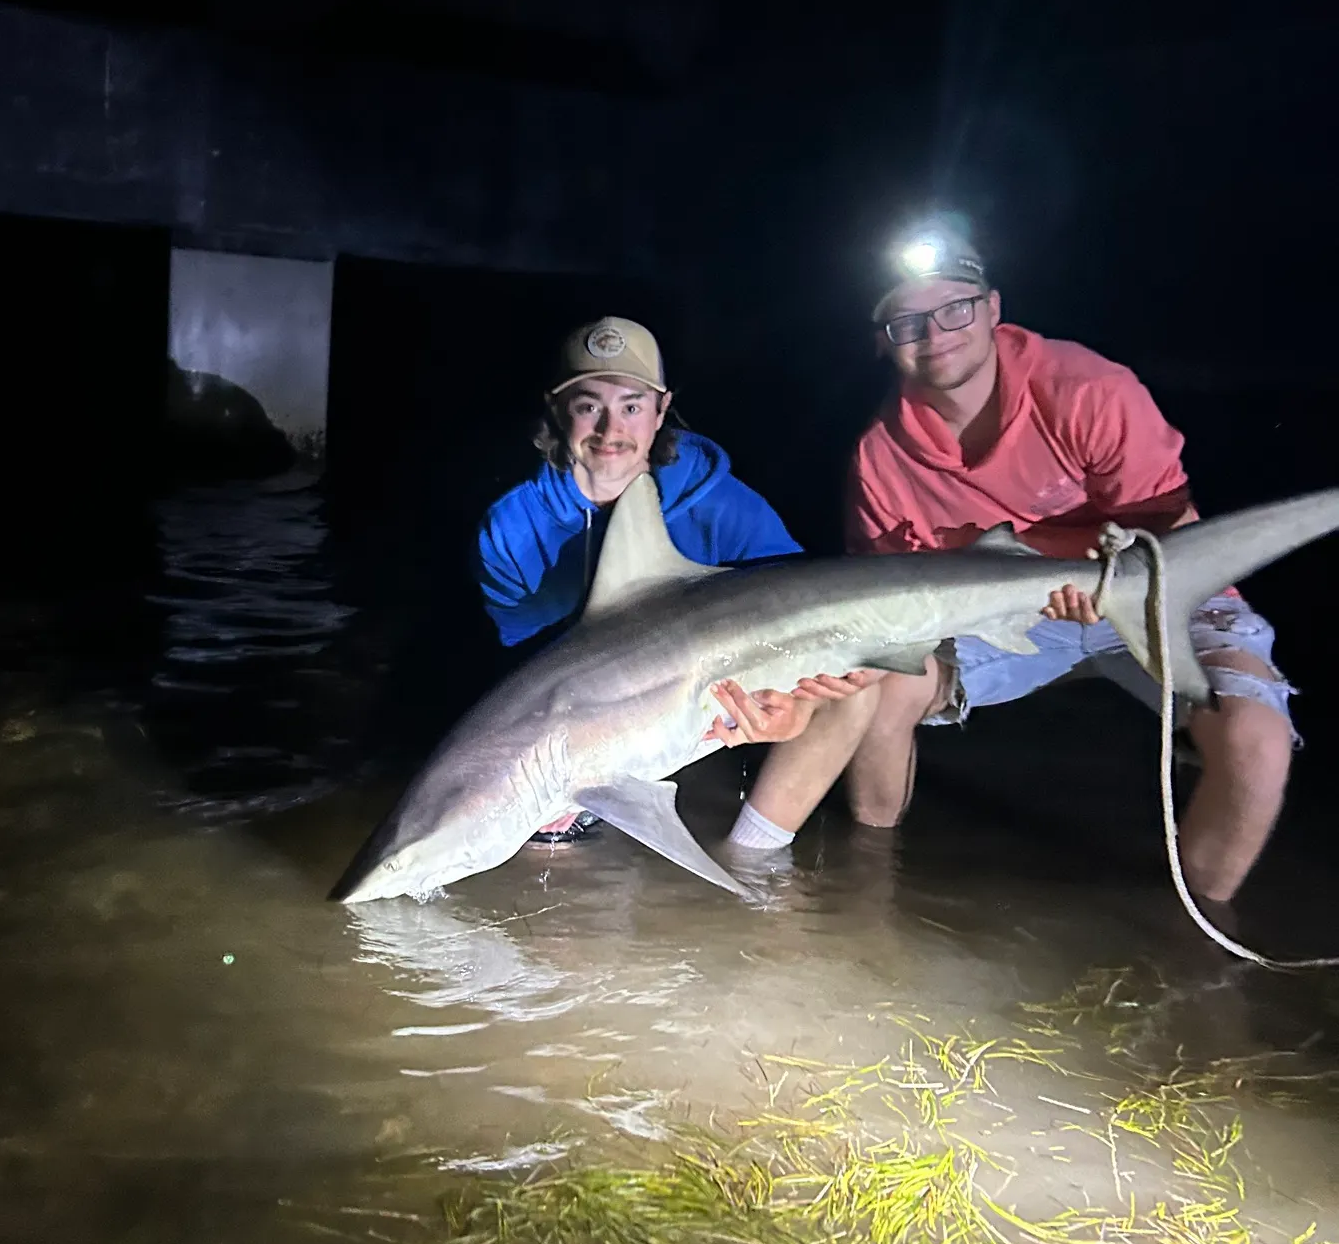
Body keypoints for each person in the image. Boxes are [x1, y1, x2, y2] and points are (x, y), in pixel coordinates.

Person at [708, 221, 1298, 907]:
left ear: (993, 309)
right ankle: (872, 885)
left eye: (955, 309)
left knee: (1255, 739)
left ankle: (1200, 934)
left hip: (1149, 590)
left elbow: (1165, 529)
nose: (935, 334)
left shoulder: (1087, 390)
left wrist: (1090, 575)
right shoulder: (879, 458)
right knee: (887, 684)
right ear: (883, 342)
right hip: (1001, 617)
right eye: (907, 323)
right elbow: (889, 609)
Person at [475, 315, 802, 839]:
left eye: (631, 406)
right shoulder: (512, 529)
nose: (611, 431)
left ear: (661, 409)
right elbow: (527, 670)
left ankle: (758, 855)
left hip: (722, 714)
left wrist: (797, 710)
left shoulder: (723, 508)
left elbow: (805, 613)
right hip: (605, 721)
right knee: (544, 839)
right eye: (589, 407)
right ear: (557, 409)